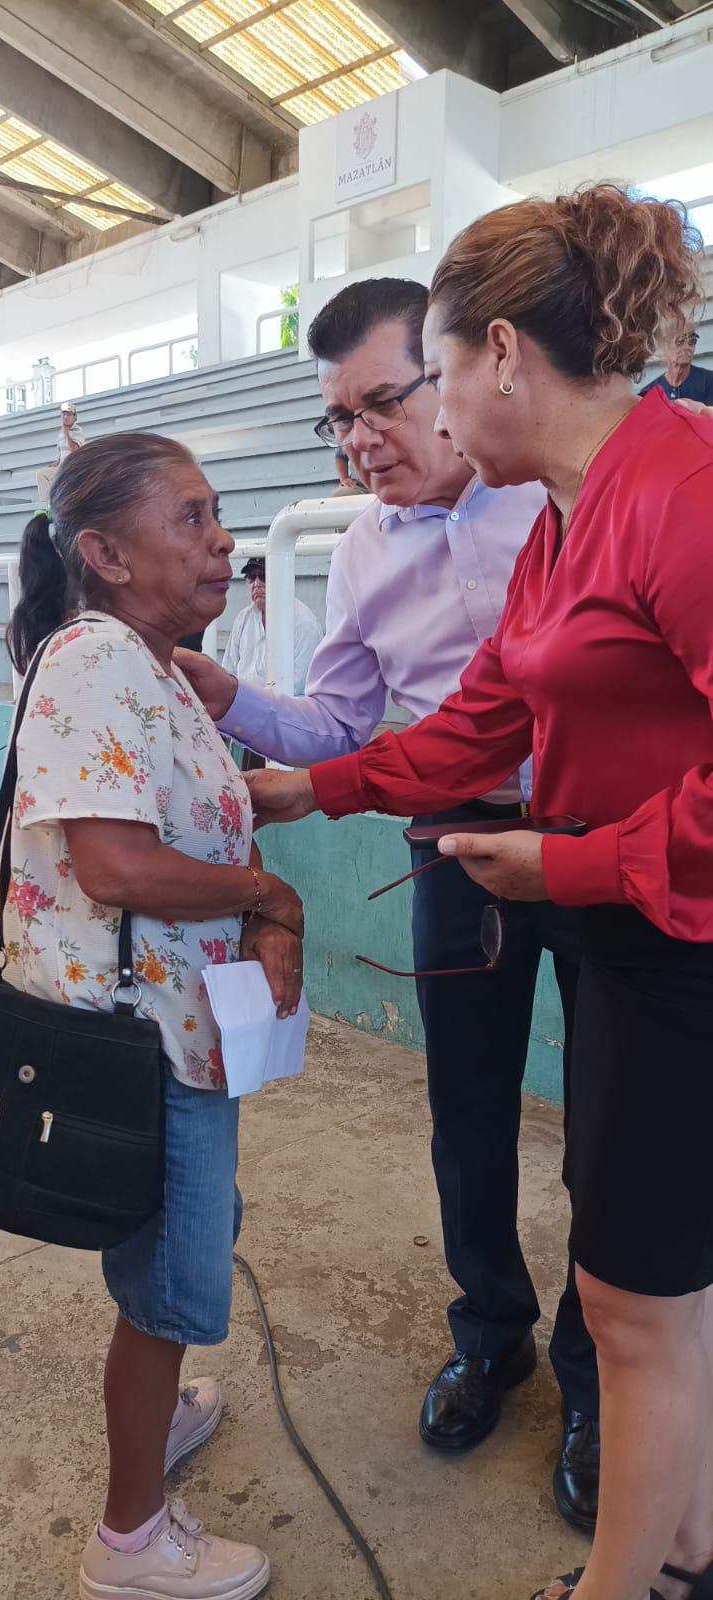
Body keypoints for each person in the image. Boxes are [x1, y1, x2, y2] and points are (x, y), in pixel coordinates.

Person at [242, 187, 713, 1600]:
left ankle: (616, 1585)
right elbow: (484, 718)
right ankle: (687, 1546)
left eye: (436, 375)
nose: (432, 414)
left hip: (675, 936)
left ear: (501, 354)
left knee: (633, 1302)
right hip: (630, 922)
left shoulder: (679, 491)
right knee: (659, 1289)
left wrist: (564, 862)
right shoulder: (577, 512)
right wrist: (303, 790)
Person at [175, 277, 600, 1530]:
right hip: (453, 841)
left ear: (468, 371)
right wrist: (228, 696)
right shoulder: (362, 546)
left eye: (381, 402)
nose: (360, 439)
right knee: (465, 1109)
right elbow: (340, 722)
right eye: (336, 420)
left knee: (609, 1128)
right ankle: (492, 1335)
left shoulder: (559, 497)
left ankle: (593, 1371)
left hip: (593, 838)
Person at [5, 433, 305, 1600]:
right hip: (144, 1044)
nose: (222, 537)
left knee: (164, 1247)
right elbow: (119, 864)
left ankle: (153, 1409)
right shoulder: (98, 662)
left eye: (217, 512)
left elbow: (172, 827)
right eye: (190, 517)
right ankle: (129, 1541)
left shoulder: (152, 663)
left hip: (175, 1027)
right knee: (170, 1277)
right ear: (106, 553)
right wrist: (266, 894)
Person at [221, 556, 323, 772]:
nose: (256, 583)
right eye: (251, 577)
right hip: (243, 722)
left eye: (263, 576)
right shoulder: (244, 618)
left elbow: (300, 685)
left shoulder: (303, 622)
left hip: (287, 723)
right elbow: (228, 668)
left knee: (279, 792)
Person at [640, 324, 713, 403]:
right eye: (680, 341)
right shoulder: (649, 393)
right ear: (664, 347)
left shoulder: (709, 381)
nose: (687, 347)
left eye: (692, 341)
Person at [35, 400, 85, 506]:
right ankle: (46, 505)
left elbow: (75, 450)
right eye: (64, 414)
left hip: (72, 466)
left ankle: (55, 503)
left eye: (69, 414)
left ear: (74, 417)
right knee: (41, 473)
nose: (66, 417)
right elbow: (63, 451)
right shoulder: (60, 433)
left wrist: (67, 433)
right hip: (61, 466)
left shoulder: (78, 430)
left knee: (59, 482)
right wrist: (56, 462)